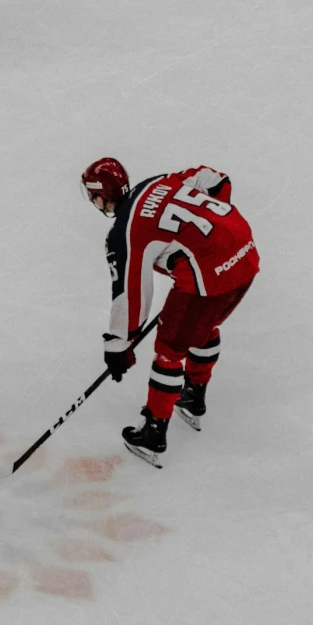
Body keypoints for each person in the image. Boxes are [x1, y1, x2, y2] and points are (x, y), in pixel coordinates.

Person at [82, 158, 260, 468]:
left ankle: (154, 433)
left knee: (169, 349)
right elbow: (215, 179)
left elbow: (130, 291)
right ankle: (192, 397)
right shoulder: (160, 181)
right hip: (245, 252)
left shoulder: (123, 233)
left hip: (211, 276)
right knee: (203, 326)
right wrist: (213, 235)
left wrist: (119, 343)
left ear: (100, 197)